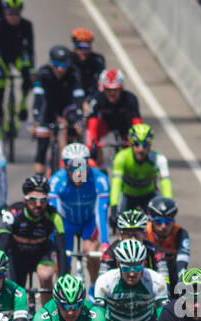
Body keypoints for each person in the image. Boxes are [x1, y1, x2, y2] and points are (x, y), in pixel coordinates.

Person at [48, 143, 110, 286]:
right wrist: (54, 242)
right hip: (66, 223)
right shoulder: (57, 180)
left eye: (82, 167)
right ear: (66, 168)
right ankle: (63, 291)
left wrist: (105, 243)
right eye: (74, 168)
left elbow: (101, 213)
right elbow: (53, 214)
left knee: (91, 251)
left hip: (89, 222)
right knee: (63, 262)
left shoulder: (100, 179)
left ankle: (94, 289)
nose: (79, 173)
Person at [28, 45, 83, 177]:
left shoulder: (74, 73)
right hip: (48, 109)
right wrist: (36, 121)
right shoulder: (42, 73)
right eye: (56, 64)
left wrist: (77, 120)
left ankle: (77, 178)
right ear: (50, 62)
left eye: (64, 64)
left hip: (67, 109)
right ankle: (39, 181)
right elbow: (38, 99)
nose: (60, 68)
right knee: (42, 146)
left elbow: (78, 99)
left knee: (75, 142)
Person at [107, 123, 171, 220]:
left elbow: (166, 183)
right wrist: (114, 206)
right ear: (131, 144)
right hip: (127, 195)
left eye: (145, 144)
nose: (141, 149)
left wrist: (168, 204)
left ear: (150, 146)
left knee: (162, 218)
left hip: (148, 195)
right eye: (137, 144)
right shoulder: (121, 157)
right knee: (117, 218)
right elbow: (116, 183)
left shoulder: (159, 159)